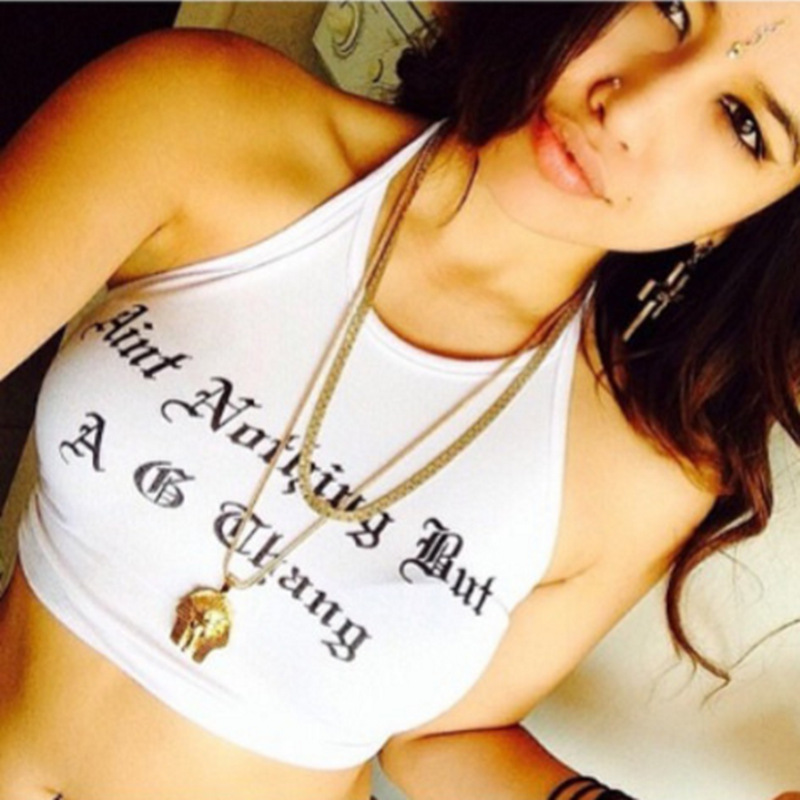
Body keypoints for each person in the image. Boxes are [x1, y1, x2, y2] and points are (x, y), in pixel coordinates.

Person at [0, 3, 798, 799]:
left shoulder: (641, 472)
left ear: (746, 222)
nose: (630, 111)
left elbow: (441, 741)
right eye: (671, 8)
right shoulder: (202, 117)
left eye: (744, 125)